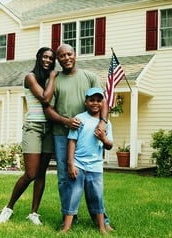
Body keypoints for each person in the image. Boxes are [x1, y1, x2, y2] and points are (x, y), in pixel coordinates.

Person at [44, 44, 113, 231]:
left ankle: (102, 221)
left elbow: (103, 101)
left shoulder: (89, 77)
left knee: (93, 182)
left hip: (87, 135)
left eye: (69, 54)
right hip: (61, 135)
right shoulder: (55, 79)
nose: (66, 58)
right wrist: (66, 121)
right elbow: (47, 108)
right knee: (65, 178)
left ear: (75, 55)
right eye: (62, 56)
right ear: (57, 59)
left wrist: (103, 122)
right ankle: (69, 219)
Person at [0, 47, 57, 225]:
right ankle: (8, 208)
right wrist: (53, 77)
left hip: (50, 129)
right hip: (33, 127)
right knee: (30, 173)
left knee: (41, 174)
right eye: (45, 57)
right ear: (39, 58)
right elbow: (45, 98)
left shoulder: (50, 79)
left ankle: (33, 213)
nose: (47, 60)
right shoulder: (30, 77)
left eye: (51, 58)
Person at [61, 87, 113, 235]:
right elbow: (72, 141)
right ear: (86, 102)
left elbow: (109, 145)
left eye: (98, 100)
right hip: (78, 164)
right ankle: (66, 228)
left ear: (102, 103)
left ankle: (102, 227)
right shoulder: (80, 119)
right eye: (91, 100)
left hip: (95, 166)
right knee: (73, 195)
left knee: (97, 196)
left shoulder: (106, 124)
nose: (95, 103)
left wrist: (103, 138)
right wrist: (70, 163)